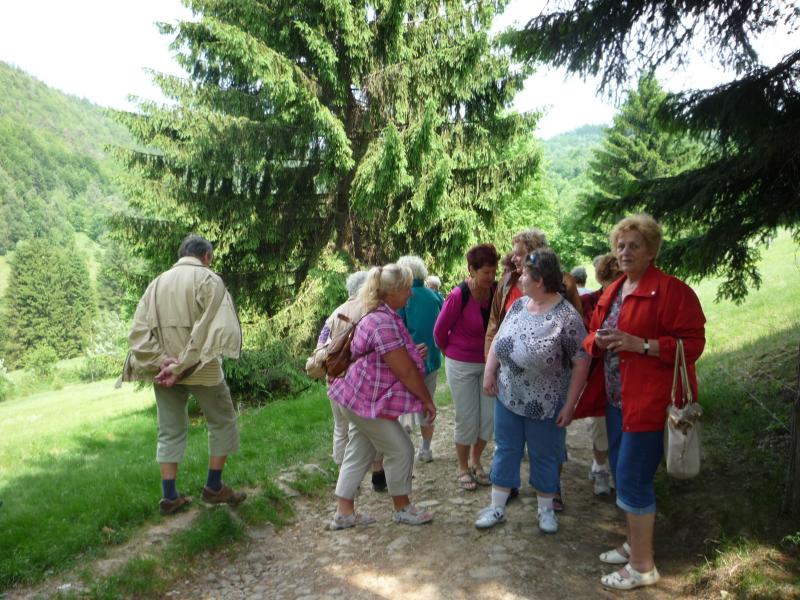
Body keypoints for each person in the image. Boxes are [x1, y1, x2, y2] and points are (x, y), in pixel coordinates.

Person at [579, 214, 705, 590]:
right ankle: (634, 544)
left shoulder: (671, 291)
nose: (625, 251)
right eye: (620, 245)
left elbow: (693, 345)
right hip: (616, 401)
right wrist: (597, 341)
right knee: (622, 475)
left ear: (651, 251)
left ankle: (642, 566)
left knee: (633, 479)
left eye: (634, 246)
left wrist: (643, 345)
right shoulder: (615, 289)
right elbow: (592, 332)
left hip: (650, 403)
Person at [120, 234, 246, 516]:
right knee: (222, 421)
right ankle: (214, 487)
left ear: (182, 255)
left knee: (169, 430)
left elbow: (137, 334)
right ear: (206, 256)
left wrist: (162, 362)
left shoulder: (156, 284)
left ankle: (169, 497)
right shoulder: (210, 280)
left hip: (163, 372)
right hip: (202, 367)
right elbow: (209, 331)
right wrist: (181, 364)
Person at [475, 248, 590, 533]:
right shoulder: (518, 305)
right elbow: (499, 339)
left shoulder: (566, 316)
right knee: (506, 449)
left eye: (525, 274)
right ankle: (497, 507)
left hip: (546, 403)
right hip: (508, 396)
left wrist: (570, 405)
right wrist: (489, 372)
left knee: (544, 454)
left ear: (539, 280)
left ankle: (546, 510)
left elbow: (581, 362)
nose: (520, 278)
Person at [327, 264, 437, 529]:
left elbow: (389, 357)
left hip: (355, 396)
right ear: (393, 291)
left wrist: (412, 353)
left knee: (359, 449)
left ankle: (344, 513)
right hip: (366, 400)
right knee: (401, 449)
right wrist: (426, 400)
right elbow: (405, 371)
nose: (411, 294)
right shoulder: (383, 322)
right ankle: (402, 508)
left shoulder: (378, 315)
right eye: (407, 289)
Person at [433, 243, 499, 491]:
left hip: (488, 363)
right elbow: (439, 332)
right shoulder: (458, 295)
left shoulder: (496, 292)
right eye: (485, 272)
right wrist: (450, 354)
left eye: (493, 272)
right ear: (471, 270)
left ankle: (475, 461)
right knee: (467, 417)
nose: (490, 277)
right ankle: (462, 467)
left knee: (488, 418)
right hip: (461, 364)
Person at [307, 271, 369, 467]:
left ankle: (340, 466)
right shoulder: (368, 310)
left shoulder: (336, 313)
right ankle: (358, 468)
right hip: (357, 376)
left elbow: (320, 347)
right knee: (357, 426)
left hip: (334, 376)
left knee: (340, 425)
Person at [576, 253, 623, 496]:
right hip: (596, 374)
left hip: (626, 375)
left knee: (622, 427)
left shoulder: (629, 300)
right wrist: (596, 340)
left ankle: (618, 473)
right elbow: (582, 337)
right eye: (609, 282)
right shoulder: (590, 302)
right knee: (599, 423)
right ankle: (600, 467)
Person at [397, 255, 443, 462]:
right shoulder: (434, 296)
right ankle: (426, 449)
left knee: (403, 405)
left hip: (407, 360)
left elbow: (398, 329)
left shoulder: (403, 298)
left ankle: (402, 450)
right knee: (427, 401)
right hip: (432, 358)